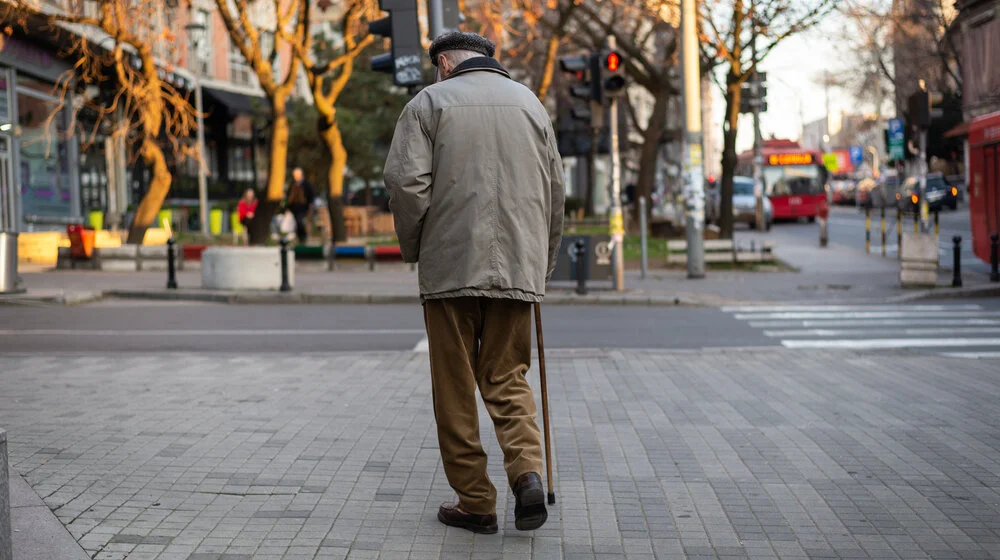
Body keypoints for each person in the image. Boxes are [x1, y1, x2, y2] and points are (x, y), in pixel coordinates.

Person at [384, 31, 564, 535]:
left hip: (450, 270)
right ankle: (526, 474)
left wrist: (418, 247)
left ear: (444, 62)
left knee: (456, 385)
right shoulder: (530, 104)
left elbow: (405, 184)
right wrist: (540, 263)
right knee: (508, 377)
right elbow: (555, 190)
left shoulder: (428, 103)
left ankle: (477, 502)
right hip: (517, 266)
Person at [286, 168, 316, 244]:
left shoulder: (306, 184)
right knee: (297, 223)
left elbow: (311, 195)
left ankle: (304, 237)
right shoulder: (293, 184)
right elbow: (289, 196)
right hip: (294, 208)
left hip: (303, 207)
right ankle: (300, 238)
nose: (295, 176)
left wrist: (310, 205)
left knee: (301, 222)